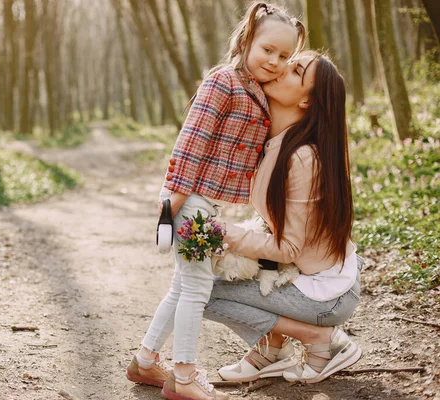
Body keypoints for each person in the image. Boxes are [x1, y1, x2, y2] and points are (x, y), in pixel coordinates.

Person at [125, 3, 306, 399]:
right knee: (196, 289)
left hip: (205, 203)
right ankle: (185, 377)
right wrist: (170, 208)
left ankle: (145, 361)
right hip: (187, 198)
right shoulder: (223, 81)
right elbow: (190, 145)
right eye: (267, 50)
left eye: (284, 56)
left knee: (183, 285)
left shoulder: (257, 90)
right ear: (246, 40)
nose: (275, 62)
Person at [203, 50, 362, 385]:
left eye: (295, 71)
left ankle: (320, 339)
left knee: (203, 293)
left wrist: (227, 234)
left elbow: (288, 249)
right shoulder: (275, 143)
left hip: (326, 292)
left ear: (307, 101)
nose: (280, 68)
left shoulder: (303, 158)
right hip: (300, 275)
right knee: (201, 280)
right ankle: (270, 351)